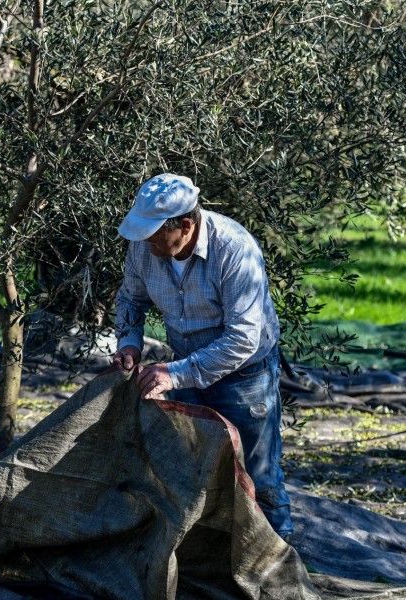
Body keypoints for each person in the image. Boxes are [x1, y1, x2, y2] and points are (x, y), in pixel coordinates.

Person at [112, 173, 293, 543]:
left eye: (155, 234)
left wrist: (174, 375)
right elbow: (130, 299)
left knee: (259, 478)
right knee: (193, 470)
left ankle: (279, 564)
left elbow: (243, 339)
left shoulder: (235, 250)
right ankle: (211, 560)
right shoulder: (144, 248)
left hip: (246, 377)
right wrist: (129, 341)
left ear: (186, 225)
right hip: (185, 368)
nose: (147, 243)